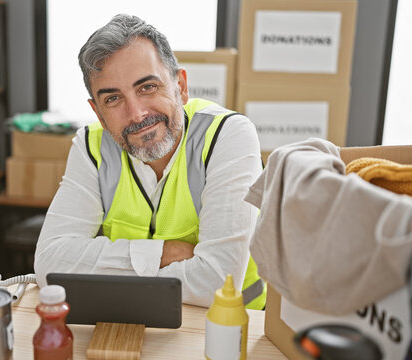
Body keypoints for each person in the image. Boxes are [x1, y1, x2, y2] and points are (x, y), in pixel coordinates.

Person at [34, 14, 265, 309]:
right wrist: (163, 253)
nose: (137, 114)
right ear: (98, 113)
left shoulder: (227, 135)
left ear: (180, 86)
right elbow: (50, 264)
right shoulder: (91, 145)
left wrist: (101, 267)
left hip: (232, 328)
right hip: (133, 320)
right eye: (113, 99)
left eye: (147, 87)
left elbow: (218, 282)